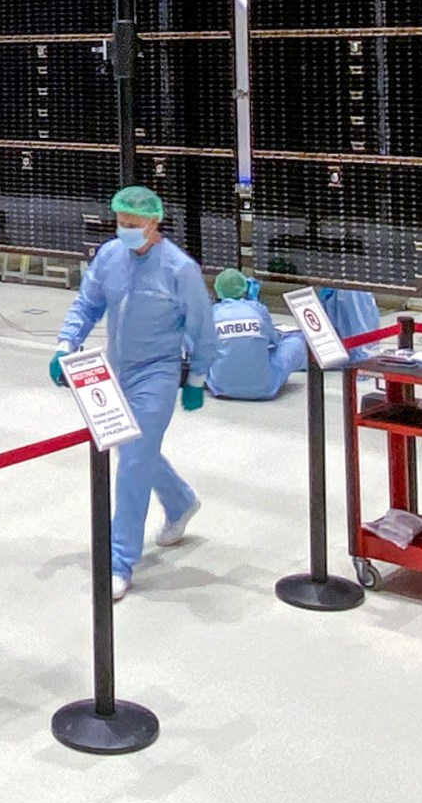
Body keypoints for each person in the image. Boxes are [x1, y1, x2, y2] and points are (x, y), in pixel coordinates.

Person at [50, 185, 215, 599]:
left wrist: (196, 378)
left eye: (133, 224)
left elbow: (201, 328)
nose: (126, 230)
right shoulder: (109, 256)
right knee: (131, 449)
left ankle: (119, 561)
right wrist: (65, 344)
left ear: (154, 222)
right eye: (121, 223)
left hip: (156, 374)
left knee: (131, 464)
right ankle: (179, 501)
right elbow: (87, 303)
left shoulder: (180, 269)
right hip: (114, 369)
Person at [202, 268, 308, 400]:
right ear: (244, 288)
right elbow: (274, 341)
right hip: (264, 387)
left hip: (220, 386)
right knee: (295, 342)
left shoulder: (211, 314)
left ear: (218, 290)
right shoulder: (257, 309)